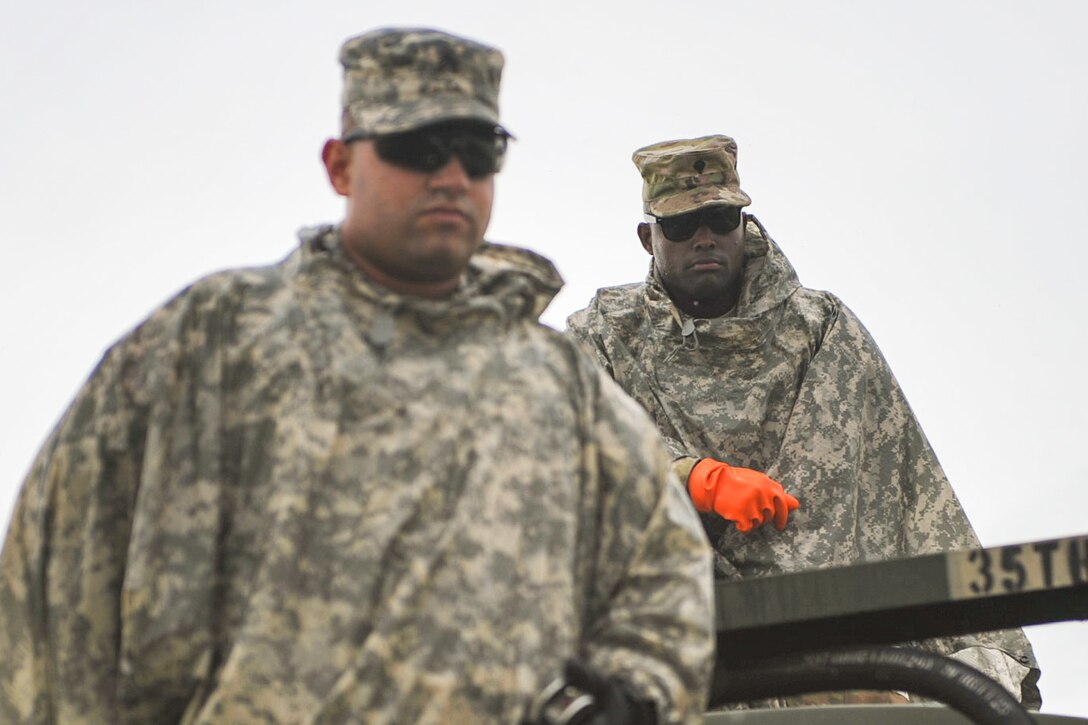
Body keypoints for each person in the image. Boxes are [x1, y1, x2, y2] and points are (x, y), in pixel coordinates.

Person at [0, 29, 715, 724]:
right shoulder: (215, 339)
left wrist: (631, 698)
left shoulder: (557, 384)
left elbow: (663, 565)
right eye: (416, 148)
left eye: (477, 151)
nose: (452, 177)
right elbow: (51, 579)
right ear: (340, 165)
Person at [565, 134, 1041, 708]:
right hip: (666, 635)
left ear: (744, 222)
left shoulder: (819, 326)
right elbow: (569, 449)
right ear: (649, 237)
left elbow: (900, 486)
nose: (705, 238)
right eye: (681, 226)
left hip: (830, 637)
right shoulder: (603, 334)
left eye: (720, 217)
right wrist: (690, 478)